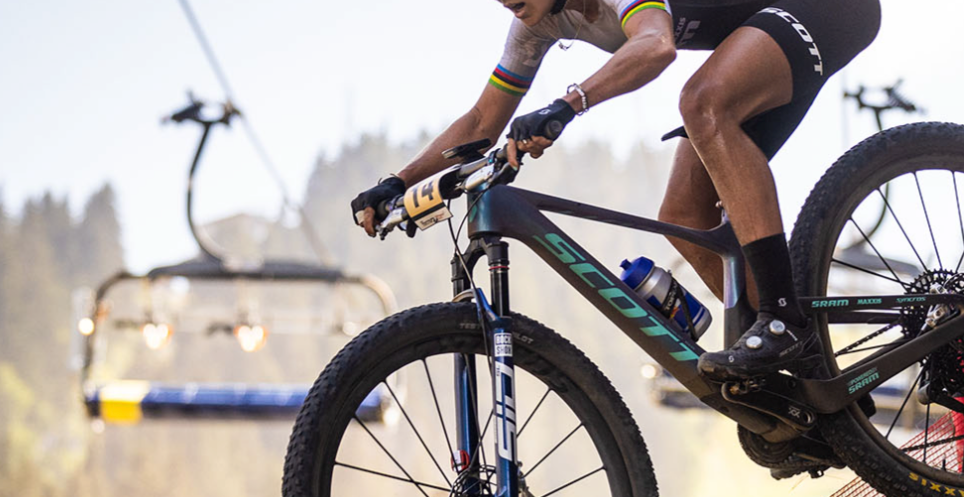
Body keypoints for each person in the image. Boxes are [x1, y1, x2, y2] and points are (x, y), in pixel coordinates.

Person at [352, 0, 882, 378]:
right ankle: (811, 377)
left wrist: (569, 103)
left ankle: (785, 322)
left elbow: (655, 45)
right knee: (685, 211)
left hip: (829, 8)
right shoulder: (532, 25)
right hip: (765, 23)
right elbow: (483, 121)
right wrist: (398, 181)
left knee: (702, 102)